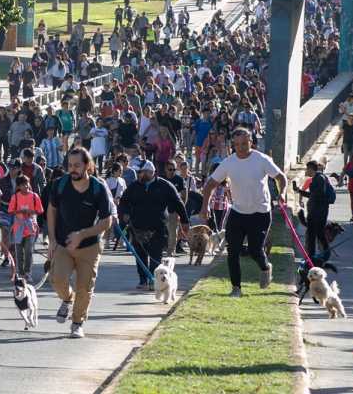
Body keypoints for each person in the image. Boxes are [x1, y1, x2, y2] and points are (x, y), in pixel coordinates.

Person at [201, 128, 285, 298]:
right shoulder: (229, 162)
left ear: (251, 142)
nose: (241, 148)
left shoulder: (261, 159)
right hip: (238, 212)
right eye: (237, 144)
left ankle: (265, 267)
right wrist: (205, 207)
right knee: (233, 251)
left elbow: (281, 177)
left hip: (260, 212)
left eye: (244, 144)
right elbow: (210, 184)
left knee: (255, 250)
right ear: (233, 144)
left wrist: (282, 194)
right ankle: (236, 288)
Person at [46, 147, 115, 338]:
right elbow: (51, 210)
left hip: (89, 247)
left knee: (85, 287)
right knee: (58, 279)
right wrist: (51, 240)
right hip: (63, 244)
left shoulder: (97, 188)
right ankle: (67, 299)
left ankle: (77, 323)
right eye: (70, 165)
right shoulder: (59, 185)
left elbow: (107, 221)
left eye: (77, 165)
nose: (73, 169)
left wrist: (82, 234)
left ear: (87, 165)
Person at [119, 161, 189, 290]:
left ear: (152, 172)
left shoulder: (164, 185)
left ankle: (153, 280)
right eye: (140, 172)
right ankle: (143, 280)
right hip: (137, 227)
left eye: (144, 172)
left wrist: (185, 221)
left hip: (158, 228)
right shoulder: (134, 186)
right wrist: (125, 214)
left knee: (155, 255)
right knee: (140, 255)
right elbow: (123, 202)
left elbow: (178, 202)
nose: (141, 175)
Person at [293, 160, 334, 259]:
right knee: (319, 233)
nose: (306, 171)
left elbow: (317, 195)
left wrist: (307, 195)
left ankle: (311, 256)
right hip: (318, 210)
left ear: (311, 169)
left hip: (317, 211)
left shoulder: (318, 179)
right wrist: (300, 191)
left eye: (307, 169)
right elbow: (313, 195)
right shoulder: (319, 178)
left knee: (312, 234)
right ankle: (323, 254)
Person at [9, 174, 43, 279]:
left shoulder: (34, 196)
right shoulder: (15, 197)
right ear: (18, 186)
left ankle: (28, 272)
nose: (26, 186)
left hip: (31, 228)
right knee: (19, 253)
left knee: (29, 251)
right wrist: (20, 211)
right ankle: (20, 273)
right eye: (23, 184)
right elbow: (10, 211)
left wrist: (31, 212)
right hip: (18, 228)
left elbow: (40, 210)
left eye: (27, 183)